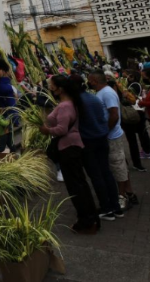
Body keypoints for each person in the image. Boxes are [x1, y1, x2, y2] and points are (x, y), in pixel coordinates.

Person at [40, 75, 99, 234]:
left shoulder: (65, 106)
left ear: (60, 89)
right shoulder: (69, 103)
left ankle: (87, 220)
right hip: (71, 146)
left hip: (68, 148)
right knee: (79, 184)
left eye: (52, 85)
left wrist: (46, 130)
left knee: (76, 186)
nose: (50, 88)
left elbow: (62, 129)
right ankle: (89, 218)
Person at [74, 74, 123, 220]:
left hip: (90, 140)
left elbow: (113, 115)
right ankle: (115, 206)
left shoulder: (79, 101)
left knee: (96, 174)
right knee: (106, 172)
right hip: (101, 138)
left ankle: (106, 208)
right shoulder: (93, 97)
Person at [88, 70, 138, 209]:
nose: (88, 83)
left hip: (112, 136)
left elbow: (114, 115)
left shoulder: (107, 93)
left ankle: (121, 196)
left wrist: (105, 131)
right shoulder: (102, 92)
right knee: (119, 164)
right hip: (109, 134)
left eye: (90, 80)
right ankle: (128, 192)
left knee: (117, 165)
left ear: (95, 81)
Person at [0, 59, 16, 153]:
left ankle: (5, 124)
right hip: (8, 86)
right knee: (9, 107)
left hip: (1, 87)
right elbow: (11, 77)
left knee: (1, 108)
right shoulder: (7, 69)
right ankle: (12, 121)